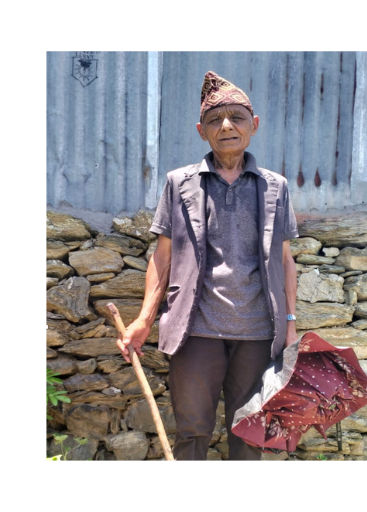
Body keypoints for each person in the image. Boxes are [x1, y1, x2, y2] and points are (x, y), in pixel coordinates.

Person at [116, 71, 300, 461]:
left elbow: (284, 260)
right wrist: (144, 320)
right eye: (216, 120)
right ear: (202, 131)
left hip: (257, 332)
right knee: (193, 432)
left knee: (249, 434)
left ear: (254, 125)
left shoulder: (275, 186)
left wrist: (290, 325)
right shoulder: (179, 183)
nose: (227, 126)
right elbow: (162, 257)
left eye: (237, 117)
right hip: (195, 330)